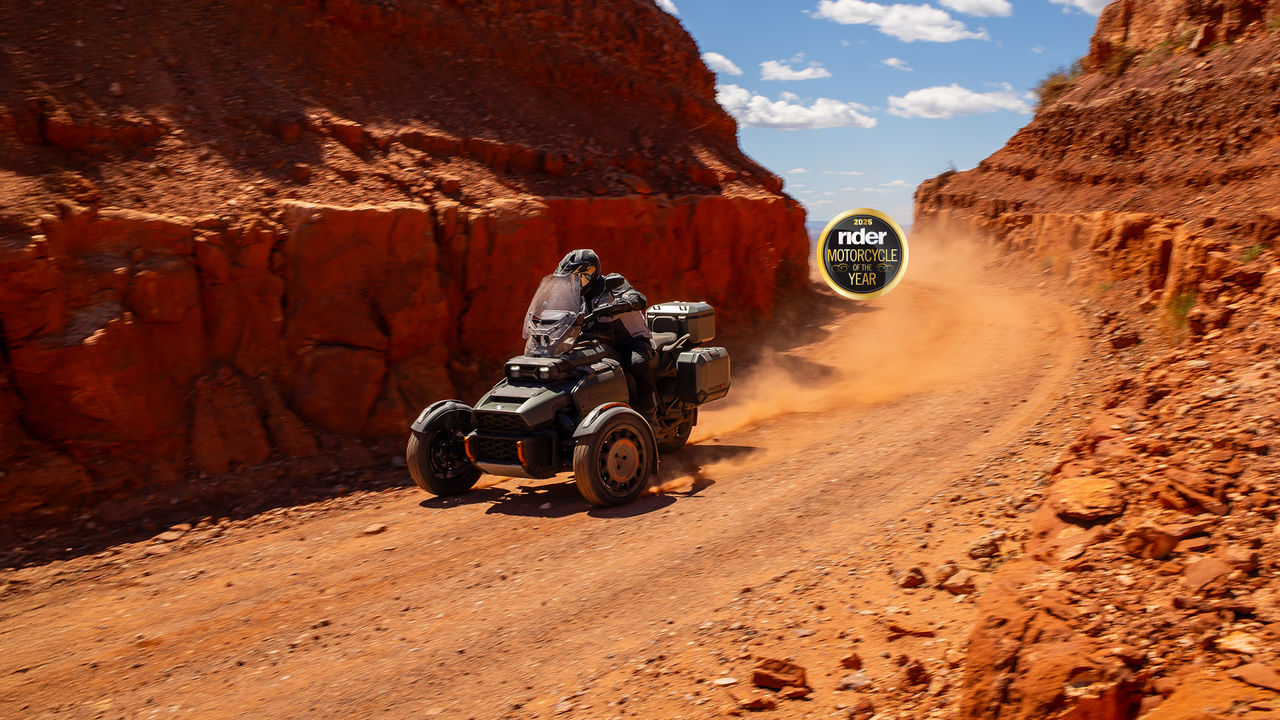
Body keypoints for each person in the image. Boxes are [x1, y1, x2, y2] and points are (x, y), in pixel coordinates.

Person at [555, 249, 658, 421]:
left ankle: (650, 413)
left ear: (590, 273)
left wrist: (624, 303)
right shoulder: (577, 297)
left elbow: (639, 298)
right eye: (569, 279)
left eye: (575, 277)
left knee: (636, 363)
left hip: (631, 341)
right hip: (600, 344)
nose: (572, 282)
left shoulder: (612, 284)